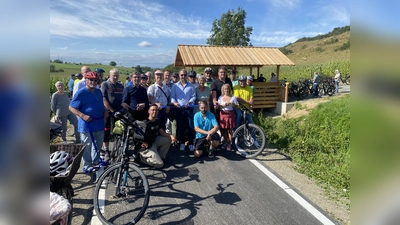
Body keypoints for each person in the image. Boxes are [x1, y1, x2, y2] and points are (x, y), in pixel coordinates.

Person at [69, 71, 105, 173]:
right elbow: (71, 107)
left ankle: (96, 161)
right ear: (86, 80)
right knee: (87, 146)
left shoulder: (98, 91)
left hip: (99, 122)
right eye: (91, 80)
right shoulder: (81, 93)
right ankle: (87, 165)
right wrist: (82, 115)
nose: (93, 82)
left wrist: (105, 112)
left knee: (98, 144)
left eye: (95, 80)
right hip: (87, 124)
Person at [139, 104, 177, 168]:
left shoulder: (157, 122)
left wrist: (171, 136)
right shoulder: (144, 123)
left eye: (156, 110)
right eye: (153, 110)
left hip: (153, 142)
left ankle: (161, 157)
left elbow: (162, 133)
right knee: (160, 165)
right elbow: (138, 137)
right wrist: (142, 143)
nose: (154, 111)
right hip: (145, 147)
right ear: (149, 111)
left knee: (168, 139)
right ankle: (141, 159)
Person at [101, 68, 124, 158]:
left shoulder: (121, 86)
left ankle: (117, 149)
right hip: (109, 112)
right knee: (106, 131)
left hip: (119, 112)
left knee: (118, 131)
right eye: (113, 75)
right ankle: (106, 149)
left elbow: (124, 98)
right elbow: (104, 99)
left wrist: (121, 109)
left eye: (117, 75)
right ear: (109, 75)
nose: (115, 77)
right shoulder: (105, 84)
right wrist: (112, 110)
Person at [170, 69, 196, 151]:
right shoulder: (175, 86)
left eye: (184, 75)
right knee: (180, 127)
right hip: (179, 109)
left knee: (190, 126)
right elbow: (172, 97)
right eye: (181, 75)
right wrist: (174, 103)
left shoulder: (191, 86)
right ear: (179, 75)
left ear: (186, 76)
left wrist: (190, 101)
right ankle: (182, 142)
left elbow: (193, 96)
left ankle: (191, 143)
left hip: (188, 109)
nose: (183, 76)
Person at [233, 75, 256, 140]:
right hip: (238, 107)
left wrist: (251, 108)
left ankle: (254, 138)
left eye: (243, 81)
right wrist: (248, 102)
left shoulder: (249, 88)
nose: (242, 83)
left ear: (246, 81)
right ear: (238, 81)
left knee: (251, 121)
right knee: (238, 117)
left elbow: (251, 100)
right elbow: (237, 98)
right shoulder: (236, 87)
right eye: (240, 81)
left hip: (247, 108)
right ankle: (236, 135)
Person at [217, 84, 238, 151]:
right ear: (223, 90)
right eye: (225, 89)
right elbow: (219, 107)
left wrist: (232, 104)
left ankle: (230, 143)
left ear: (229, 89)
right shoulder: (220, 97)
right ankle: (226, 142)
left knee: (230, 130)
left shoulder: (233, 97)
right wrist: (223, 105)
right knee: (224, 130)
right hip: (223, 114)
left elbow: (237, 107)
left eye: (228, 89)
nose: (226, 90)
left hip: (230, 114)